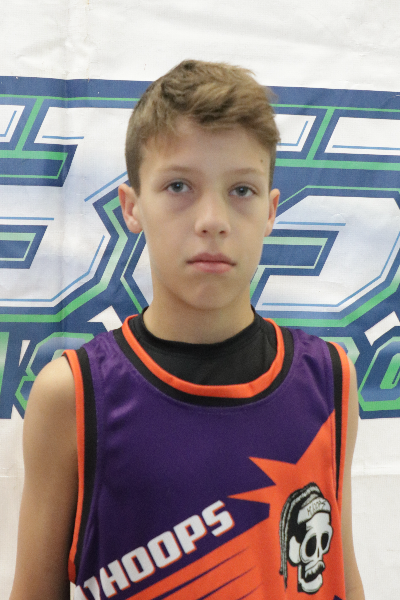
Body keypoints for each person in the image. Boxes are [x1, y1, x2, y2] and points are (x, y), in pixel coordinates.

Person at [10, 60, 364, 600]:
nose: (212, 220)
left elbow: (339, 573)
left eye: (241, 190)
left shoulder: (330, 379)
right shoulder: (73, 396)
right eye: (179, 186)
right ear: (132, 208)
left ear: (271, 211)